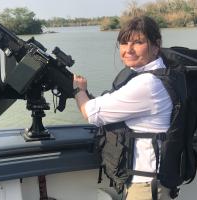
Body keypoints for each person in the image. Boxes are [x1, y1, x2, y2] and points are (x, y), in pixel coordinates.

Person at [73, 16, 174, 200]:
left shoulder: (147, 84)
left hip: (146, 186)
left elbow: (91, 113)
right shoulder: (163, 74)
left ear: (156, 45)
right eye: (124, 42)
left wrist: (79, 91)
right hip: (154, 182)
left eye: (138, 42)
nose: (128, 50)